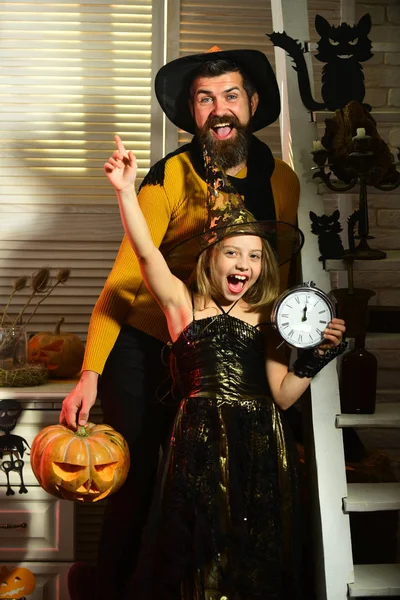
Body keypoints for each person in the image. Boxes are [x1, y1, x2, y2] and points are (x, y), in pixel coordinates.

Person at [61, 47, 301, 600]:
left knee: (233, 482)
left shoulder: (281, 180)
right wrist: (91, 372)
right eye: (205, 98)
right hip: (154, 335)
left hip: (233, 344)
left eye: (231, 96)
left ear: (254, 103)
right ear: (192, 112)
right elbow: (128, 275)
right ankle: (108, 589)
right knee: (139, 477)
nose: (220, 109)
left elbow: (279, 278)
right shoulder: (169, 174)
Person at [103, 135, 346, 599]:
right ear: (209, 258)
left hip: (259, 443)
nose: (245, 264)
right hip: (198, 442)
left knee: (254, 553)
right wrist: (125, 191)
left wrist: (317, 357)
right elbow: (147, 255)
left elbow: (282, 395)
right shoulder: (182, 306)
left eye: (255, 256)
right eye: (233, 253)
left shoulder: (269, 315)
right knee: (196, 550)